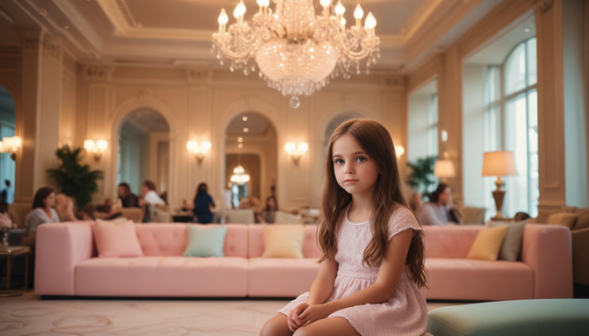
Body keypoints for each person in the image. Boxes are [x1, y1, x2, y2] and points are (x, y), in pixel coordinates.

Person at [260, 119, 427, 336]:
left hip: (382, 303)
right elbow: (325, 276)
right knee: (270, 330)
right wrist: (312, 305)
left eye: (360, 158)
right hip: (337, 294)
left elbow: (383, 289)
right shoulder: (337, 216)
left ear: (382, 163)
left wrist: (325, 310)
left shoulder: (398, 218)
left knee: (306, 334)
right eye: (339, 161)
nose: (348, 169)